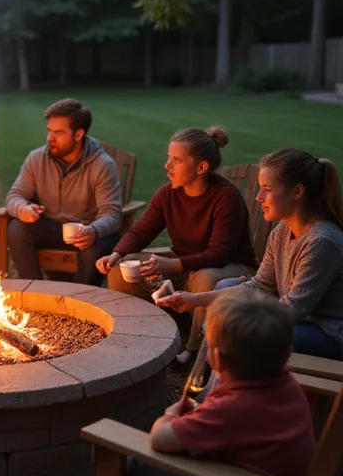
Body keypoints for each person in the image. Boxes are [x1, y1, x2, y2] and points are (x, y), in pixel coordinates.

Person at [30, 292, 316, 476]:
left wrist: (171, 414)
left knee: (127, 458)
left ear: (216, 358)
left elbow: (160, 440)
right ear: (287, 354)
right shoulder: (288, 385)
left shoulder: (229, 410)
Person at [160, 149, 343, 360]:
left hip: (326, 332)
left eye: (267, 189)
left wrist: (236, 314)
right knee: (225, 301)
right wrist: (194, 300)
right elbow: (261, 286)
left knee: (235, 332)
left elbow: (293, 310)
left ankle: (213, 388)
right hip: (297, 320)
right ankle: (204, 385)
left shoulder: (322, 241)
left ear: (297, 192)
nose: (258, 197)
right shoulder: (281, 232)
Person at [96, 125, 256, 366]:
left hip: (231, 269)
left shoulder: (226, 198)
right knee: (121, 271)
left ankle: (193, 351)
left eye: (176, 161)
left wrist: (171, 265)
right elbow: (141, 231)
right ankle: (138, 334)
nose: (167, 166)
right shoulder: (168, 194)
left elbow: (219, 253)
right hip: (185, 265)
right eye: (168, 158)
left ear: (201, 167)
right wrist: (117, 254)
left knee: (205, 278)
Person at [5, 99, 122, 286]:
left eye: (58, 133)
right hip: (52, 228)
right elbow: (14, 196)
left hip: (87, 232)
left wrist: (93, 230)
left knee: (96, 247)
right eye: (49, 130)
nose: (49, 138)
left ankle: (83, 301)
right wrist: (23, 209)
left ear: (79, 134)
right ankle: (37, 291)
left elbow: (112, 214)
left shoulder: (102, 165)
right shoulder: (36, 159)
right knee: (17, 228)